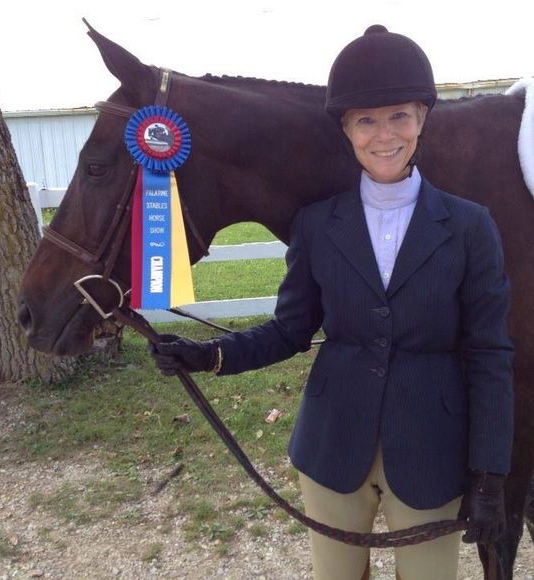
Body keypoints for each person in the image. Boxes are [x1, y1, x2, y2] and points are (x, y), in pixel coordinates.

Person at [150, 25, 513, 580]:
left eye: (399, 116)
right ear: (346, 128)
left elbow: (489, 352)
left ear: (422, 118)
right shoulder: (317, 225)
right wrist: (211, 355)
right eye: (366, 120)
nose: (384, 135)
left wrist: (489, 474)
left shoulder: (470, 227)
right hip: (331, 444)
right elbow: (289, 330)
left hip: (431, 449)